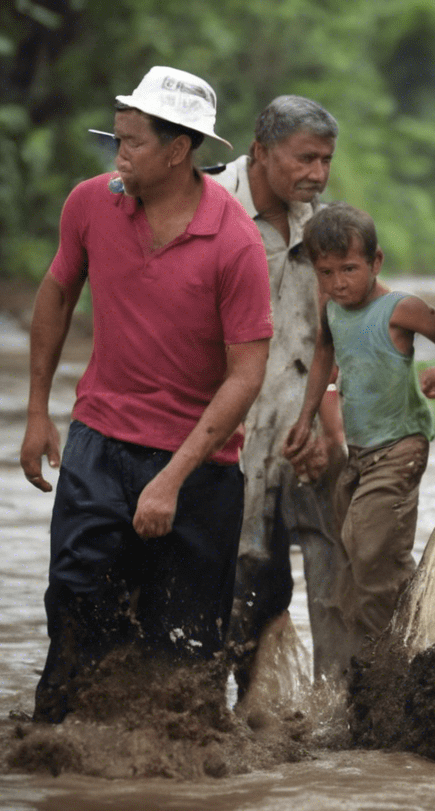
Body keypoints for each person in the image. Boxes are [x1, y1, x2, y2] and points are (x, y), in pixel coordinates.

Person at [19, 67, 272, 722]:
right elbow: (56, 289)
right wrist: (38, 411)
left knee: (183, 652)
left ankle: (176, 794)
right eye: (117, 140)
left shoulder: (236, 240)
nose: (118, 155)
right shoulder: (89, 204)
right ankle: (59, 763)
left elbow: (246, 374)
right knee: (76, 612)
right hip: (99, 444)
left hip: (201, 468)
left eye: (132, 143)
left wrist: (171, 479)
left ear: (178, 150)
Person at [209, 95, 351, 692]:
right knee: (216, 584)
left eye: (325, 160)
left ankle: (299, 715)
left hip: (295, 439)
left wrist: (329, 430)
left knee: (287, 584)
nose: (317, 173)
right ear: (260, 152)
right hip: (218, 440)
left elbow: (329, 336)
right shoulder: (206, 207)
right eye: (305, 159)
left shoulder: (319, 228)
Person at [284, 202, 435, 663]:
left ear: (375, 262)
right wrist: (305, 420)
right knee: (356, 549)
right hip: (360, 450)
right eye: (327, 272)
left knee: (368, 540)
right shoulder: (334, 311)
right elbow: (323, 357)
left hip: (402, 443)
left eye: (350, 269)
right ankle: (382, 646)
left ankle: (407, 644)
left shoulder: (400, 309)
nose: (338, 283)